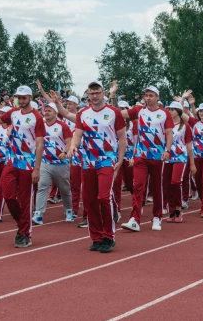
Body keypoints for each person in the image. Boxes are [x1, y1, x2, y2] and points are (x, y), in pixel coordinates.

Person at [55, 81, 125, 253]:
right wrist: (73, 146)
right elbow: (77, 134)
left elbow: (121, 137)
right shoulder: (83, 113)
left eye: (97, 92)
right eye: (91, 93)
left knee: (103, 197)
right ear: (87, 94)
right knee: (89, 200)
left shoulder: (113, 112)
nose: (94, 96)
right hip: (88, 162)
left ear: (103, 93)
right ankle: (96, 237)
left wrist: (121, 159)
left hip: (106, 161)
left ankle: (109, 235)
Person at [0, 85, 45, 248]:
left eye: (24, 97)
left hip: (27, 163)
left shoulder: (37, 117)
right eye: (19, 97)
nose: (21, 100)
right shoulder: (13, 113)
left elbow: (39, 144)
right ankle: (23, 225)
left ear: (30, 98)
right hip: (11, 161)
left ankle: (25, 233)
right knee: (7, 194)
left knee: (25, 200)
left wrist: (37, 168)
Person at [113, 84, 173, 233]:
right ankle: (135, 219)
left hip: (158, 156)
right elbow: (118, 114)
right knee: (138, 186)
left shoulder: (165, 113)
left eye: (151, 95)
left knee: (156, 187)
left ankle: (157, 217)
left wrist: (167, 150)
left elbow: (169, 133)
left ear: (157, 97)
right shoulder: (139, 111)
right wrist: (113, 96)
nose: (148, 98)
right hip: (140, 155)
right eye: (146, 95)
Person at [32, 102, 74, 225]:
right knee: (42, 187)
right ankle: (38, 214)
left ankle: (69, 210)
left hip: (60, 163)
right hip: (45, 162)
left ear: (56, 112)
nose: (46, 112)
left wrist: (65, 153)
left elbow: (69, 141)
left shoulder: (62, 126)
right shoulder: (41, 126)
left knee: (65, 189)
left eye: (50, 110)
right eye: (46, 110)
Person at [162, 101, 195, 221]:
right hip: (167, 158)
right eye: (169, 109)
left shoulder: (185, 126)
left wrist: (192, 163)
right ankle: (172, 212)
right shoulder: (165, 124)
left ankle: (178, 209)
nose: (170, 111)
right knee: (167, 185)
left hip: (180, 157)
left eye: (172, 109)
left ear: (178, 112)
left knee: (176, 182)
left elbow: (189, 146)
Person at [112, 100, 136, 220]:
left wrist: (134, 157)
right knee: (116, 183)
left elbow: (137, 142)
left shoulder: (134, 124)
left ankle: (136, 203)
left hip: (130, 158)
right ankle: (117, 210)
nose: (121, 111)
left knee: (131, 183)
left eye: (123, 108)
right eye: (119, 109)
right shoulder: (114, 123)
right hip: (117, 158)